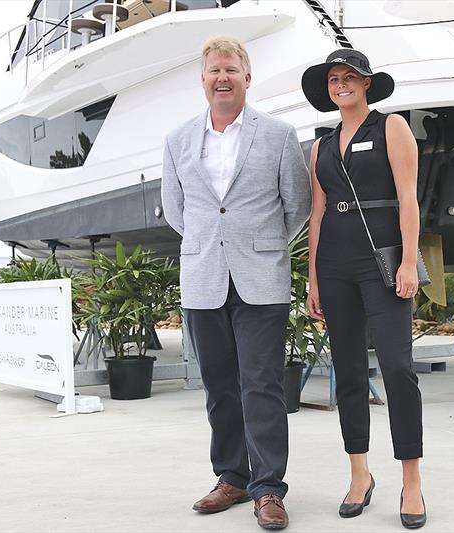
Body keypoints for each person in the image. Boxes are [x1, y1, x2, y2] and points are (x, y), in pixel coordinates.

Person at [161, 36, 311, 530]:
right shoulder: (178, 139)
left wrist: (258, 244)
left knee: (262, 384)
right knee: (219, 387)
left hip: (260, 277)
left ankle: (269, 488)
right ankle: (232, 477)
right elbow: (179, 211)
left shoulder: (279, 134)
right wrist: (216, 243)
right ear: (202, 80)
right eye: (213, 71)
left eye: (231, 70)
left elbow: (298, 206)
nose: (221, 78)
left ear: (248, 78)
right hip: (204, 276)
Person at [301, 49, 427, 529]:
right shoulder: (321, 146)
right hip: (333, 262)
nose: (341, 84)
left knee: (397, 367)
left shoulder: (391, 127)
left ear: (367, 83)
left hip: (383, 261)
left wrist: (410, 261)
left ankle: (411, 480)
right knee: (348, 371)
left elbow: (408, 197)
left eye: (349, 76)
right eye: (334, 78)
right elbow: (317, 213)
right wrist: (313, 276)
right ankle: (359, 475)